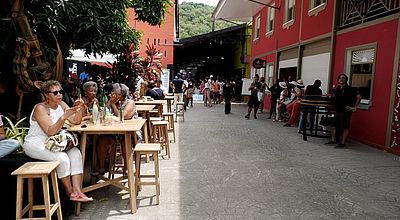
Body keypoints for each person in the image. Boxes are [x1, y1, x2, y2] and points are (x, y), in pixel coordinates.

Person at [24, 80, 93, 202]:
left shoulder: (62, 104)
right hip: (36, 143)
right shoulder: (40, 108)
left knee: (76, 153)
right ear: (46, 94)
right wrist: (63, 118)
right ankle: (70, 191)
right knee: (63, 158)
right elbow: (50, 131)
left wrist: (79, 108)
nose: (59, 95)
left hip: (55, 143)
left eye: (60, 91)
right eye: (55, 92)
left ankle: (78, 191)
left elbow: (76, 121)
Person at [96, 83, 137, 174]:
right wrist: (110, 102)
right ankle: (102, 167)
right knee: (101, 140)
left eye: (115, 93)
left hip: (130, 133)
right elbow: (102, 114)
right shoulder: (113, 102)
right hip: (114, 132)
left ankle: (127, 167)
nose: (113, 95)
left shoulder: (130, 103)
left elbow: (122, 116)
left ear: (122, 94)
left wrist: (113, 105)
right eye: (112, 93)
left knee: (125, 142)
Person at [326, 74, 361, 148]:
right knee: (333, 126)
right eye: (340, 78)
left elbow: (359, 97)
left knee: (345, 127)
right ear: (338, 80)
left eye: (343, 78)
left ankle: (343, 143)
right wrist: (330, 96)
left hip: (346, 111)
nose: (341, 79)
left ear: (346, 80)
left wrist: (354, 107)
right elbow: (336, 96)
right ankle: (333, 140)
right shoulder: (338, 88)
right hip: (337, 110)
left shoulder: (349, 88)